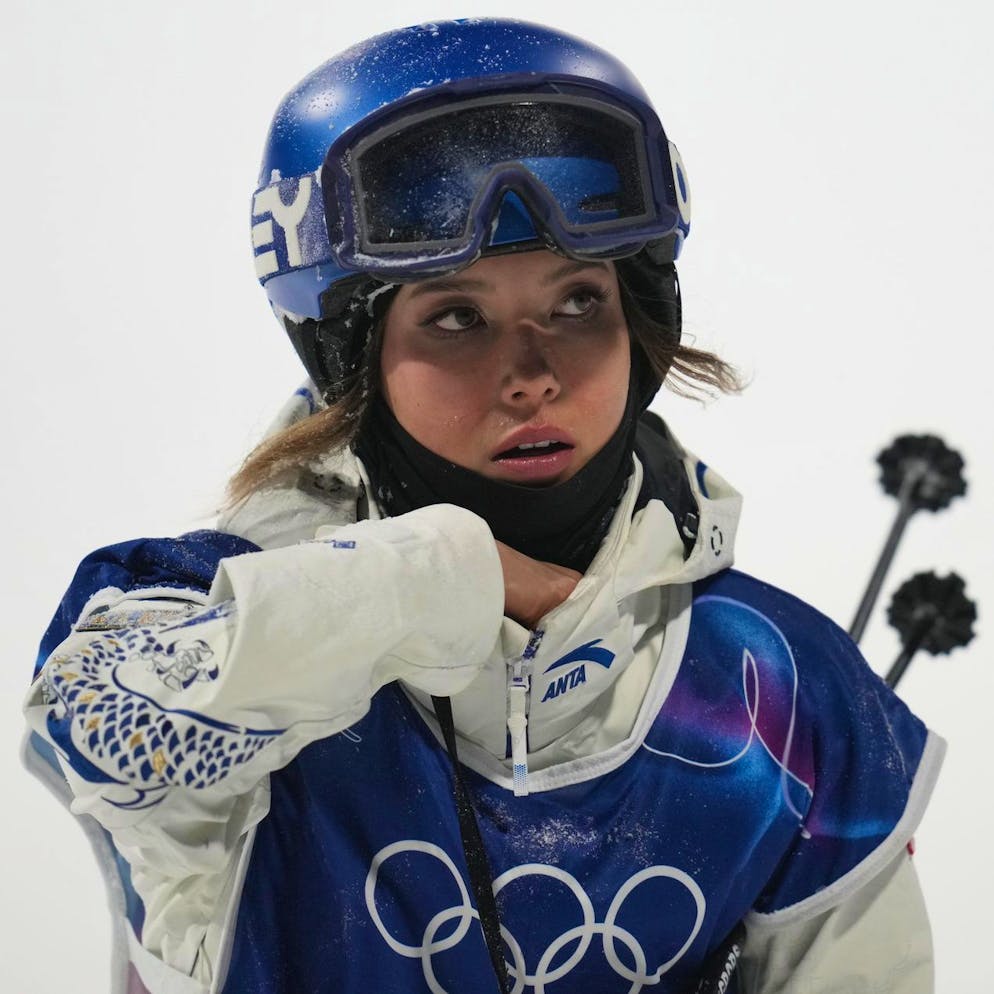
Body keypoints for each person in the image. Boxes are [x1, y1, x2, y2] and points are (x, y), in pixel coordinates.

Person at [23, 18, 944, 994]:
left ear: (643, 318)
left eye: (578, 302)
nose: (530, 374)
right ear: (352, 359)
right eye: (456, 316)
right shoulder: (200, 608)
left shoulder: (781, 689)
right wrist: (435, 578)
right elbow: (104, 728)